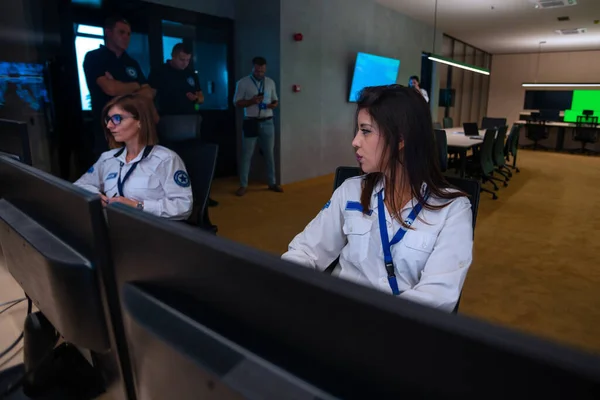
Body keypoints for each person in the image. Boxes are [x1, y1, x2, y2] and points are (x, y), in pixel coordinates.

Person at [281, 85, 473, 312]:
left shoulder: (453, 210)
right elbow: (304, 251)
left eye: (366, 131)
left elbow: (437, 295)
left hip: (396, 329)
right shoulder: (350, 191)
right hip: (335, 315)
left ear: (400, 138)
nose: (355, 141)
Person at [74, 94, 193, 221]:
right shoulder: (108, 158)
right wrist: (96, 196)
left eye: (117, 118)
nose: (109, 125)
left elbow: (183, 206)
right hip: (116, 226)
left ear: (140, 122)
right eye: (108, 119)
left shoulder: (166, 159)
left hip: (150, 230)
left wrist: (138, 206)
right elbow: (80, 185)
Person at [83, 16, 156, 161]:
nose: (126, 37)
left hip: (134, 127)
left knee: (137, 167)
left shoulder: (131, 62)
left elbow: (149, 92)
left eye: (128, 34)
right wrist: (135, 86)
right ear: (108, 33)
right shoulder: (95, 57)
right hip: (109, 128)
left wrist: (121, 87)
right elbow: (110, 89)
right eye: (121, 32)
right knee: (111, 169)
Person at [233, 56, 282, 196]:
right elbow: (236, 103)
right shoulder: (243, 83)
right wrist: (252, 101)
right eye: (257, 70)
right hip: (251, 121)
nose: (260, 72)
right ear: (253, 68)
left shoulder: (270, 82)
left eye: (262, 70)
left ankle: (272, 183)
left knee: (269, 154)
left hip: (267, 121)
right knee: (247, 155)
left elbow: (275, 101)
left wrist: (271, 105)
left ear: (265, 68)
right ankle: (243, 185)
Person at [149, 43, 204, 115]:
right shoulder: (160, 71)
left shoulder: (191, 74)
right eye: (182, 59)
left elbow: (201, 98)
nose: (185, 63)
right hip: (168, 116)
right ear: (173, 56)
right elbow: (150, 96)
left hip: (191, 116)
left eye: (188, 60)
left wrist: (196, 98)